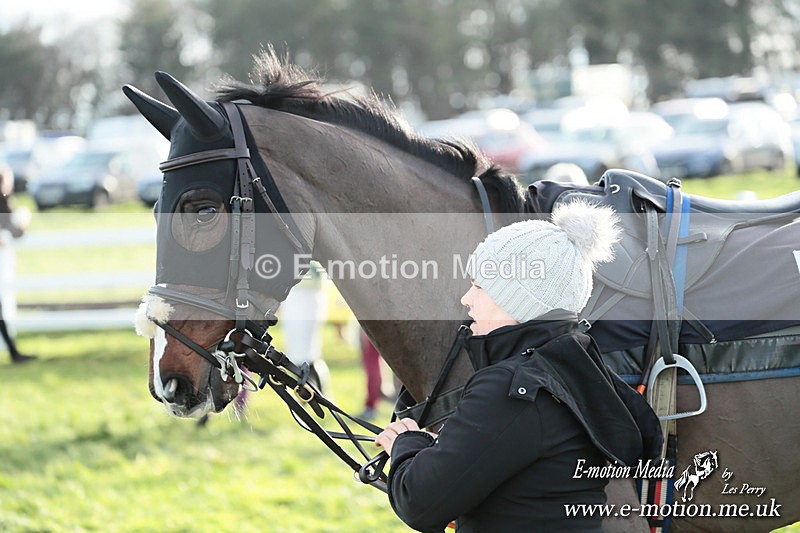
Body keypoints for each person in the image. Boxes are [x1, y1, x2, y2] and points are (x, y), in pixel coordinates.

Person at [375, 200, 662, 532]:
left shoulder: (509, 389)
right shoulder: (572, 369)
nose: (466, 299)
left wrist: (407, 445)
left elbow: (420, 503)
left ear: (518, 299)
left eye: (480, 286)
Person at [0, 162, 35, 364]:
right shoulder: (2, 200)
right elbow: (17, 232)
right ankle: (14, 354)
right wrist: (24, 217)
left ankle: (14, 353)